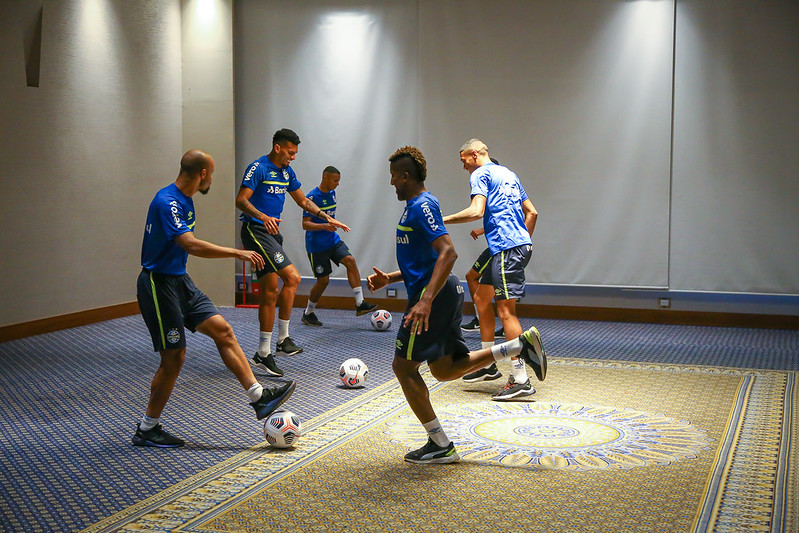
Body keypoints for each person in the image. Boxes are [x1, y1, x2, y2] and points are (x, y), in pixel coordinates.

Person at [367, 146, 546, 464]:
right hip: (442, 292)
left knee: (403, 367)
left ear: (406, 176)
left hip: (432, 297)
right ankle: (518, 346)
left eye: (394, 176)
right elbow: (427, 260)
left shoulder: (422, 205)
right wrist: (390, 278)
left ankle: (439, 444)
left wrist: (425, 300)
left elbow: (448, 253)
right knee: (444, 368)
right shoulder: (417, 207)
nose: (392, 182)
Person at [133, 149, 296, 448]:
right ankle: (147, 428)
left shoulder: (186, 200)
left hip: (179, 281)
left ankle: (259, 397)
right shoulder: (167, 201)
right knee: (174, 358)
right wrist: (236, 252)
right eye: (213, 173)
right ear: (203, 174)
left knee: (223, 330)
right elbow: (190, 244)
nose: (212, 179)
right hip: (158, 284)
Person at [236, 129, 350, 373]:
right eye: (290, 152)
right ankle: (282, 340)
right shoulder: (258, 168)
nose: (293, 157)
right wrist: (262, 216)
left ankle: (263, 352)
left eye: (295, 153)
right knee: (293, 278)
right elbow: (241, 200)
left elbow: (303, 201)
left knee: (269, 292)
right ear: (277, 148)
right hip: (256, 231)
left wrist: (325, 217)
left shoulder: (287, 172)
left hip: (272, 233)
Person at [443, 139, 541, 400]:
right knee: (481, 297)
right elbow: (532, 212)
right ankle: (487, 364)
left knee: (506, 312)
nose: (464, 166)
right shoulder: (509, 173)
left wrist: (442, 221)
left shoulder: (480, 174)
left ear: (474, 154)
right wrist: (522, 239)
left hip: (507, 248)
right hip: (508, 247)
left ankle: (520, 379)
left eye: (464, 160)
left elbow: (476, 211)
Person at [301, 166, 376, 326]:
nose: (337, 184)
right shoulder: (312, 197)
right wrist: (324, 226)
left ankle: (360, 303)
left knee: (350, 260)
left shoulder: (332, 193)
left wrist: (330, 228)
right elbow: (305, 224)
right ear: (325, 177)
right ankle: (308, 313)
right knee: (323, 281)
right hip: (316, 246)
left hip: (332, 240)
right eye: (335, 180)